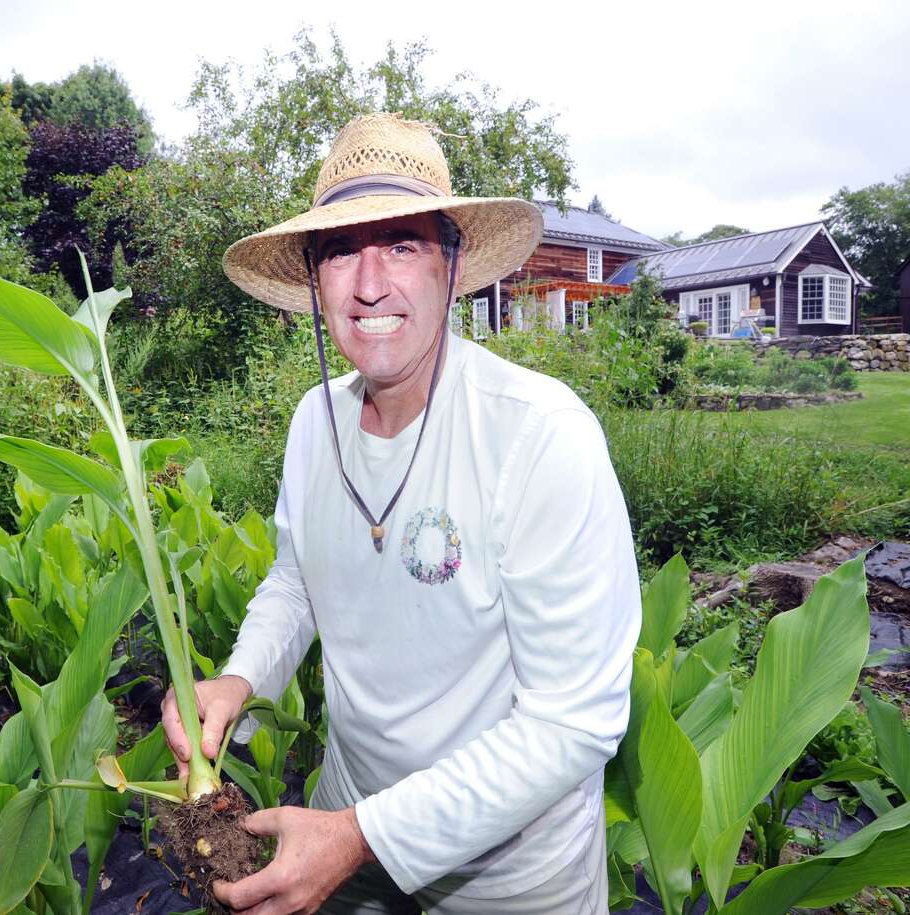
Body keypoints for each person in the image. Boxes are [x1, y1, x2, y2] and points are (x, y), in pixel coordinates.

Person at [161, 112, 641, 915]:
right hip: (344, 825)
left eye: (403, 244)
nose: (370, 281)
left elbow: (575, 722)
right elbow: (297, 581)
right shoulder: (315, 422)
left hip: (508, 877)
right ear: (315, 280)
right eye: (343, 249)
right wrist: (241, 679)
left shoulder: (538, 435)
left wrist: (363, 833)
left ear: (452, 267)